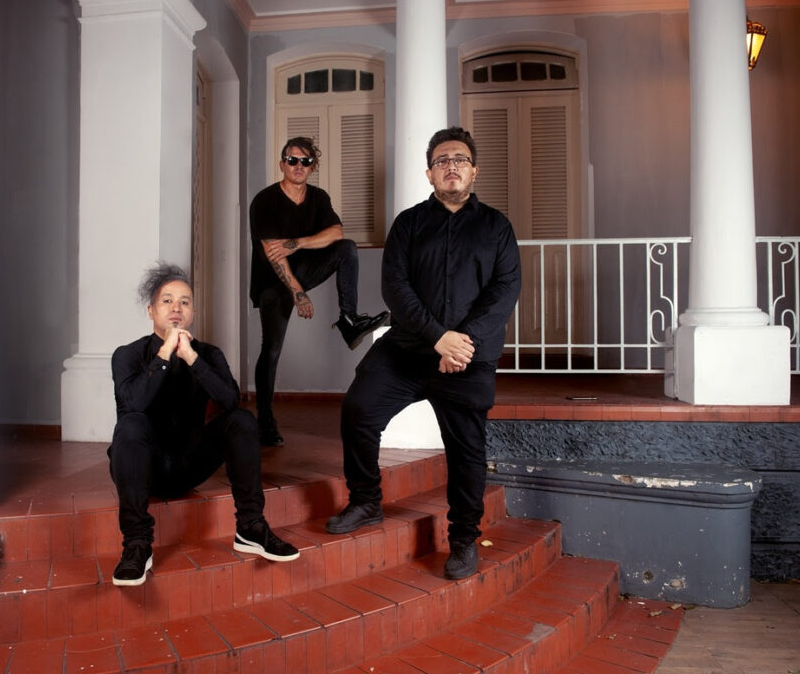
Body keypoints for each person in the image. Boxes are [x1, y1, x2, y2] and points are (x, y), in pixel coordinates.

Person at [326, 127, 521, 581]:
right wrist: (437, 337)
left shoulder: (497, 228)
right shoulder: (409, 224)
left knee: (467, 450)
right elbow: (395, 287)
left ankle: (464, 539)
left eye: (460, 159)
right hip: (408, 350)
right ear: (429, 173)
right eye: (442, 160)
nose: (451, 166)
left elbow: (504, 291)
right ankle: (366, 501)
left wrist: (460, 342)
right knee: (358, 410)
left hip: (468, 357)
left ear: (474, 171)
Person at [107, 262, 299, 587]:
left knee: (241, 419)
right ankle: (137, 544)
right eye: (167, 301)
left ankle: (250, 527)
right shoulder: (127, 354)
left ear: (193, 312)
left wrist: (191, 358)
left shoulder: (208, 354)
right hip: (143, 468)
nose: (176, 308)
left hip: (188, 465)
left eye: (185, 301)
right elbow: (132, 405)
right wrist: (165, 354)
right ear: (151, 310)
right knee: (131, 424)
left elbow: (230, 401)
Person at [249, 136, 389, 447]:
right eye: (292, 160)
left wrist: (297, 243)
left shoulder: (318, 197)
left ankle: (349, 320)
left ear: (313, 166)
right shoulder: (265, 201)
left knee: (346, 248)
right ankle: (265, 421)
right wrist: (299, 294)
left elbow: (336, 233)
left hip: (304, 269)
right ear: (282, 164)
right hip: (273, 282)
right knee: (271, 349)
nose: (298, 165)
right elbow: (273, 255)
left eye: (306, 161)